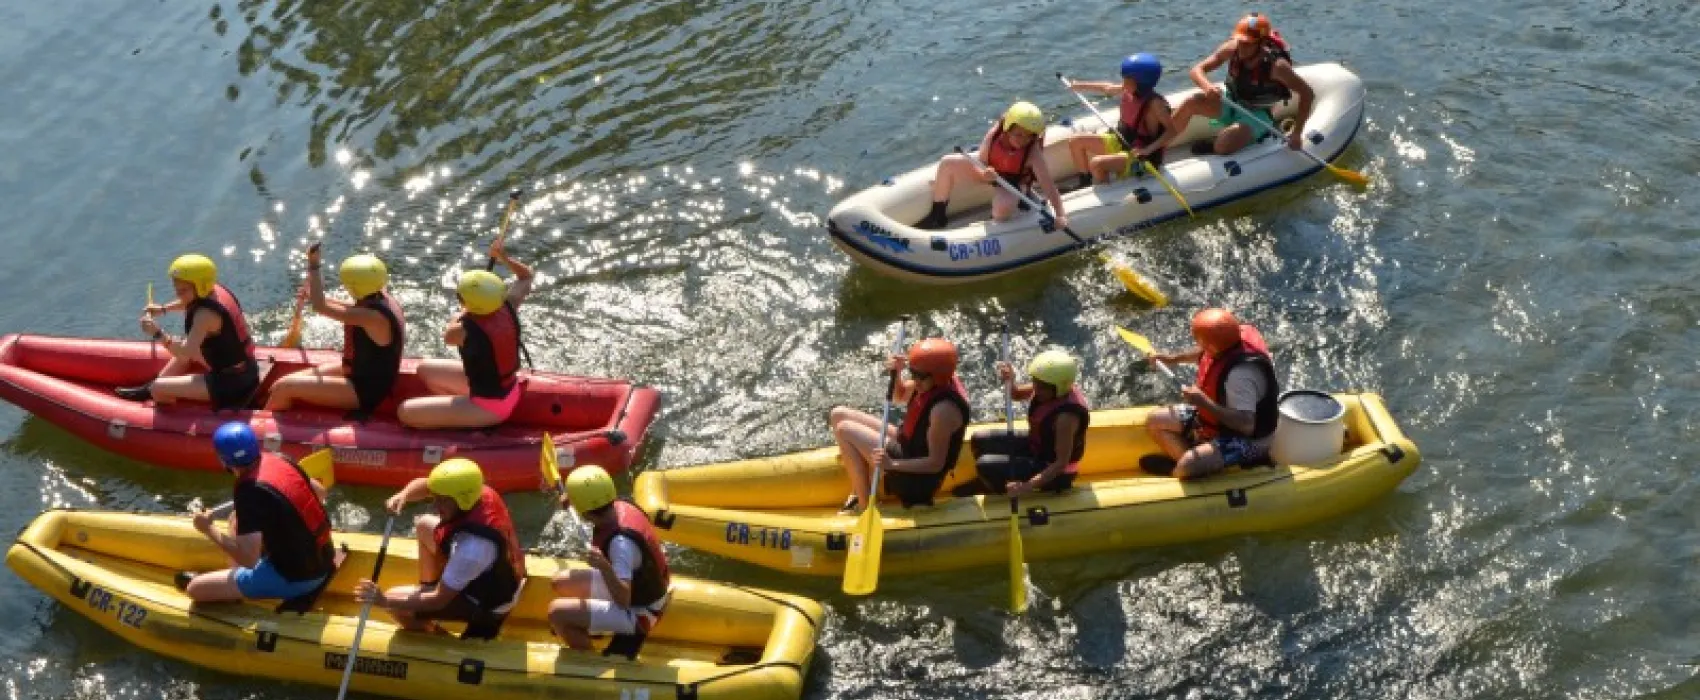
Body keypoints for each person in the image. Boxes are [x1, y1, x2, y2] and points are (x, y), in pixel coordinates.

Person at [354, 458, 526, 638]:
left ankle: (434, 635)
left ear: (462, 500)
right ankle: (427, 586)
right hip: (483, 576)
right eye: (436, 498)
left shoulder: (473, 549)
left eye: (442, 501)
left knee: (395, 601)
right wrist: (403, 495)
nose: (435, 505)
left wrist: (384, 600)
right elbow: (425, 486)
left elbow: (438, 600)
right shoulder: (475, 491)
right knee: (424, 525)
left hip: (485, 603)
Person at [178, 422, 336, 603]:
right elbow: (320, 492)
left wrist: (208, 529)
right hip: (324, 556)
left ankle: (240, 588)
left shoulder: (249, 491)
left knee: (194, 589)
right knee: (235, 517)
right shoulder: (280, 459)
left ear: (223, 461)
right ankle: (237, 582)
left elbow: (249, 560)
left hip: (298, 579)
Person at [396, 236, 534, 429]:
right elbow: (526, 276)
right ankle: (458, 411)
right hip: (504, 388)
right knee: (424, 369)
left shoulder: (463, 330)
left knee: (404, 412)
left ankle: (463, 420)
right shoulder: (509, 304)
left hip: (491, 406)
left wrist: (465, 311)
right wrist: (503, 257)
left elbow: (448, 336)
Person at [827, 338, 971, 513]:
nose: (915, 380)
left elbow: (936, 463)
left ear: (937, 376)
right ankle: (860, 489)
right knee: (838, 414)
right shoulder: (929, 380)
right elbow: (900, 396)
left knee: (844, 429)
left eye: (920, 376)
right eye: (913, 373)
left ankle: (865, 507)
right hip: (909, 445)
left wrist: (891, 464)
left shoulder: (943, 411)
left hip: (918, 480)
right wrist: (896, 373)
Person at [263, 244, 406, 418]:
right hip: (360, 372)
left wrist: (314, 265)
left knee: (284, 388)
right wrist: (315, 296)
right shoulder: (382, 299)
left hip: (364, 390)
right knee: (278, 384)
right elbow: (352, 310)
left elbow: (320, 306)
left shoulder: (373, 318)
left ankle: (261, 428)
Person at [1142, 308, 1281, 479]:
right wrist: (1172, 359)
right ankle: (1196, 463)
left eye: (1198, 339)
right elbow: (1205, 350)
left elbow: (1246, 425)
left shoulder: (1240, 377)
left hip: (1249, 438)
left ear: (1212, 346)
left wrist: (1203, 402)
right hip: (1217, 421)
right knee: (1154, 421)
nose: (1197, 343)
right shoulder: (1228, 339)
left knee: (1188, 466)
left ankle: (1182, 470)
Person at [547, 465, 672, 651]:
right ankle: (593, 625)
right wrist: (573, 501)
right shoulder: (620, 505)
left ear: (585, 511)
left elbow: (623, 600)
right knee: (559, 581)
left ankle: (587, 661)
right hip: (638, 586)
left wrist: (605, 567)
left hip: (641, 610)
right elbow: (593, 506)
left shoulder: (620, 544)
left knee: (556, 613)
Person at [120, 254, 259, 408]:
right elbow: (190, 300)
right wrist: (163, 309)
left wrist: (157, 333)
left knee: (159, 387)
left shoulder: (204, 316)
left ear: (200, 286)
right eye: (176, 288)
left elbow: (185, 353)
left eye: (183, 290)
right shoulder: (214, 290)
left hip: (232, 382)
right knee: (185, 348)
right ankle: (149, 389)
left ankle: (160, 397)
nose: (178, 294)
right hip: (245, 366)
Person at [1167, 13, 1315, 156]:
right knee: (1191, 103)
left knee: (1222, 145)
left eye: (1248, 44)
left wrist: (1297, 133)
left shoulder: (1277, 66)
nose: (1242, 48)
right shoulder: (1232, 48)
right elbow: (1197, 70)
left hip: (1258, 114)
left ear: (1261, 43)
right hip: (1232, 101)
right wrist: (1207, 87)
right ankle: (1156, 149)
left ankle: (1225, 143)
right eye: (1240, 42)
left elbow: (1307, 93)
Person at [914, 101, 1070, 232]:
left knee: (1003, 205)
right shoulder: (994, 134)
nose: (1023, 140)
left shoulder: (1033, 153)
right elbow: (982, 162)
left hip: (1015, 183)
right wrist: (986, 175)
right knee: (947, 163)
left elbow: (1048, 185)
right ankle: (937, 216)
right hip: (990, 172)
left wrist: (1060, 214)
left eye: (1029, 136)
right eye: (1018, 134)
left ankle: (1000, 222)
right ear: (1007, 129)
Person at [962, 350, 1090, 496]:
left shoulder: (1066, 419)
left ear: (1058, 388)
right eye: (1035, 381)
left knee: (985, 465)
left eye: (1041, 386)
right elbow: (1016, 394)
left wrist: (1027, 486)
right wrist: (1010, 379)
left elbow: (1061, 463)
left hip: (1054, 472)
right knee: (980, 439)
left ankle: (998, 489)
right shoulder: (1049, 387)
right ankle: (989, 480)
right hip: (1038, 447)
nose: (1036, 388)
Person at [1063, 53, 1179, 186]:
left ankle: (1106, 191)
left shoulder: (1156, 105)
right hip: (1121, 140)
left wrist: (1147, 150)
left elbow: (1172, 131)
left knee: (1096, 163)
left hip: (1141, 155)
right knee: (1076, 141)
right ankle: (1085, 182)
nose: (1123, 81)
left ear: (1140, 82)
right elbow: (1106, 88)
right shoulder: (1129, 89)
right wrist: (1080, 85)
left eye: (1126, 78)